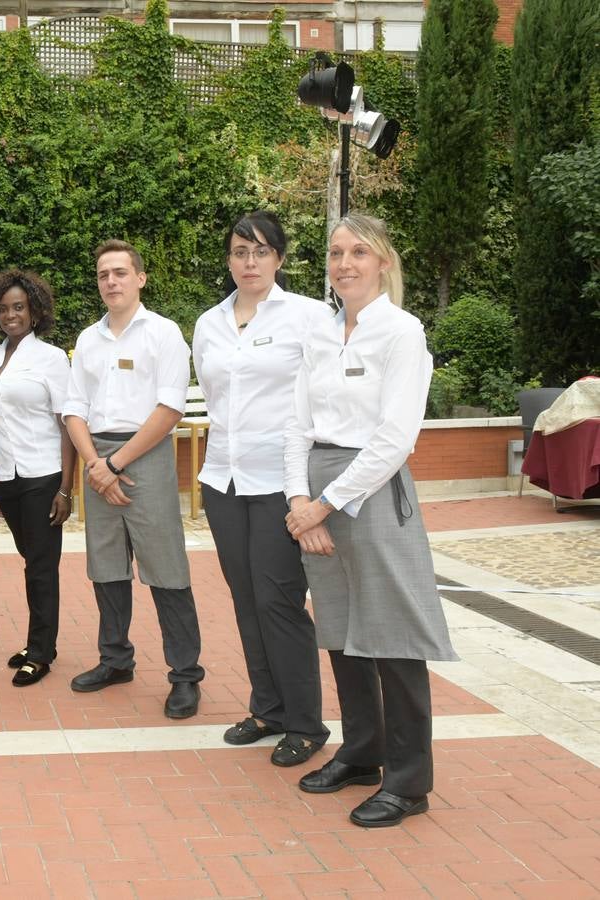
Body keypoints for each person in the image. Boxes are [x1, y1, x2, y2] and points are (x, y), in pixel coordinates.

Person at [283, 213, 457, 828]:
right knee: (341, 628)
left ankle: (409, 782)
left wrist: (324, 505)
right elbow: (296, 428)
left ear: (383, 262)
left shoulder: (402, 333)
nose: (345, 264)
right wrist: (297, 505)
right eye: (336, 253)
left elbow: (394, 439)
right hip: (316, 494)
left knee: (392, 636)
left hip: (372, 490)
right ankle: (362, 752)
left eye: (359, 252)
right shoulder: (320, 335)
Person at [192, 211, 332, 767]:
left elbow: (321, 400)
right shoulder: (210, 322)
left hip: (281, 482)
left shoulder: (309, 316)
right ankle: (267, 708)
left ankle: (305, 722)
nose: (249, 262)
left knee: (279, 601)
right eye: (239, 252)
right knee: (246, 599)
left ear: (279, 257)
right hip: (223, 479)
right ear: (228, 260)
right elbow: (215, 396)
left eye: (260, 251)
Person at [62, 239, 205, 717]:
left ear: (140, 278)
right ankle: (115, 659)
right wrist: (95, 464)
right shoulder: (87, 339)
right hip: (95, 455)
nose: (111, 281)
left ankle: (185, 676)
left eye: (121, 272)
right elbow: (73, 408)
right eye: (104, 274)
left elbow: (170, 409)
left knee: (166, 570)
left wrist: (115, 464)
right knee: (106, 568)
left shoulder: (163, 334)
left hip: (144, 455)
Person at [0, 270, 75, 687]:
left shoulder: (51, 358)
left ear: (35, 312)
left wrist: (66, 489)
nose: (10, 315)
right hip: (7, 476)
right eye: (3, 309)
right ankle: (41, 642)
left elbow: (67, 423)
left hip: (42, 475)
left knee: (41, 566)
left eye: (19, 307)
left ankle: (40, 651)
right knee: (29, 559)